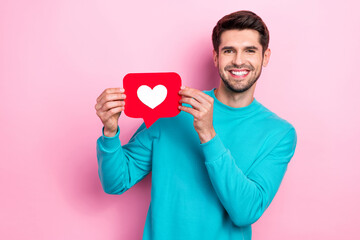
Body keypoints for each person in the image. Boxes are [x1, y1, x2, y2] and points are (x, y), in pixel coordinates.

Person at [95, 10, 297, 240]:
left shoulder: (279, 133)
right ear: (215, 57)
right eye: (229, 50)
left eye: (249, 50)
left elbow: (245, 212)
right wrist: (110, 132)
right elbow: (116, 182)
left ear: (265, 57)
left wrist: (208, 134)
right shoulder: (173, 109)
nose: (239, 60)